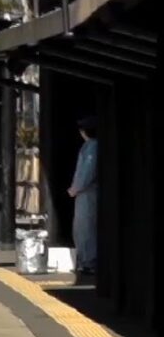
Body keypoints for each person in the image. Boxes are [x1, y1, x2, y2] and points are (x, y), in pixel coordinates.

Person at [68, 116, 99, 275]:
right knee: (85, 226)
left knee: (85, 226)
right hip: (87, 191)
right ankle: (86, 260)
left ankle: (88, 260)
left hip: (87, 192)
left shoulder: (91, 147)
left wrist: (75, 188)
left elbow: (87, 171)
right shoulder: (90, 146)